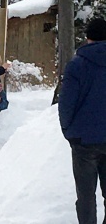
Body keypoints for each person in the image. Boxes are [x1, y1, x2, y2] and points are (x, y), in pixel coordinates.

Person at [58, 18, 106, 224]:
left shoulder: (76, 65)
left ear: (88, 38)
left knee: (86, 196)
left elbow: (66, 103)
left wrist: (67, 130)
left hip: (84, 140)